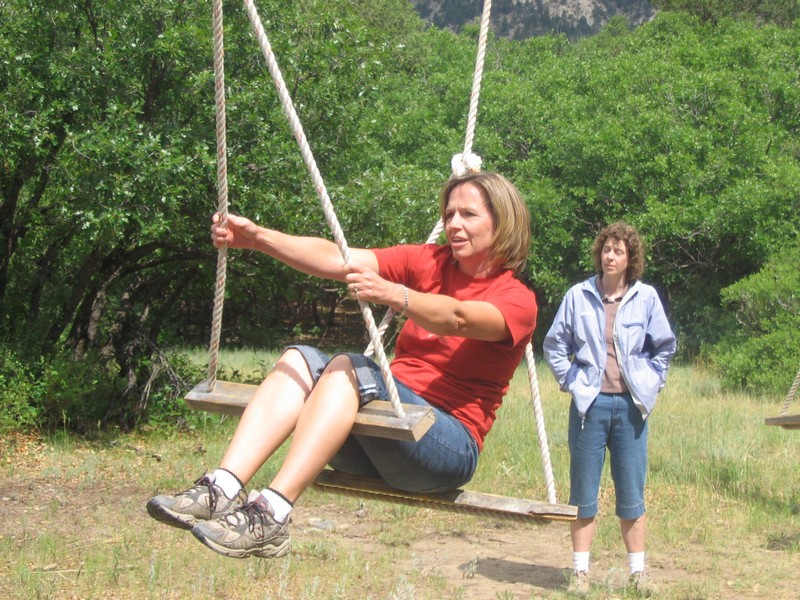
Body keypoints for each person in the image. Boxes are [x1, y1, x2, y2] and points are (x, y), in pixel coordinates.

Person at [146, 171, 538, 559]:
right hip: (378, 439)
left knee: (352, 366)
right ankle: (222, 486)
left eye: (468, 215)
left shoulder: (517, 300)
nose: (453, 224)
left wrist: (396, 295)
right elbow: (340, 258)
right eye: (449, 213)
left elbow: (458, 317)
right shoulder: (429, 261)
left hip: (441, 450)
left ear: (501, 222)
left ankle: (273, 513)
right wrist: (259, 239)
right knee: (299, 358)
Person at [542, 222, 676, 596]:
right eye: (606, 249)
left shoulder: (645, 297)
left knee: (631, 492)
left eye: (619, 251)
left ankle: (638, 573)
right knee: (583, 492)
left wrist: (651, 383)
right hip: (590, 407)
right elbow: (554, 344)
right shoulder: (578, 296)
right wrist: (572, 381)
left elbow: (664, 346)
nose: (610, 256)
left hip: (631, 409)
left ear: (630, 259)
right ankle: (580, 573)